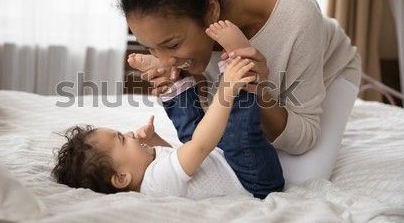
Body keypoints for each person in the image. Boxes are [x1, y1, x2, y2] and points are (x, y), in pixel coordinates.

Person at [99, 0, 362, 185]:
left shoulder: (297, 15)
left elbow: (303, 138)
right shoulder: (185, 13)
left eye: (172, 45)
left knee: (301, 179)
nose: (163, 60)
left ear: (211, 10)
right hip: (267, 89)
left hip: (330, 69)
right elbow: (210, 131)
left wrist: (257, 90)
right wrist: (182, 85)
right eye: (151, 48)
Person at [52, 38, 284, 199]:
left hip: (226, 162)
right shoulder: (157, 183)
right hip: (254, 180)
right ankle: (238, 72)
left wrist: (156, 140)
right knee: (227, 136)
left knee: (189, 133)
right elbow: (201, 146)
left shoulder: (150, 175)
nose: (130, 133)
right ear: (122, 178)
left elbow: (176, 156)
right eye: (122, 139)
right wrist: (225, 90)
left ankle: (172, 83)